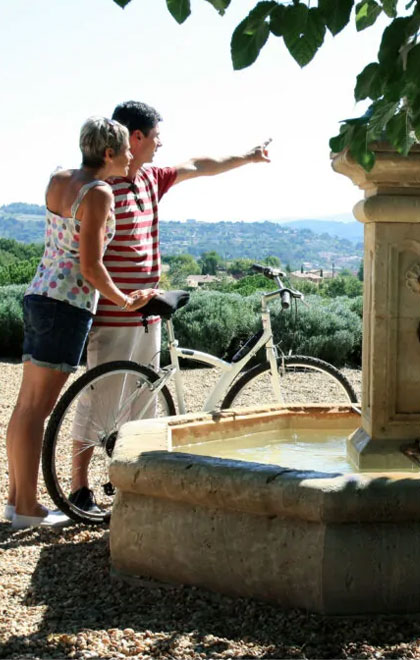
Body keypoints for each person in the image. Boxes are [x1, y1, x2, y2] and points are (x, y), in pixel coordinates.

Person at [69, 100, 270, 512]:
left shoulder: (150, 178)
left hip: (147, 310)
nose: (161, 144)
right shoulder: (103, 187)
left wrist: (248, 158)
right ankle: (77, 488)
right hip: (113, 312)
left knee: (143, 397)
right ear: (136, 137)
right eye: (156, 136)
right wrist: (118, 300)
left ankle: (125, 483)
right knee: (100, 398)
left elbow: (199, 164)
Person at [4, 117, 157, 529]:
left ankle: (17, 501)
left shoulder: (58, 178)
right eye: (125, 150)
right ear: (109, 153)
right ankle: (30, 509)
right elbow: (90, 265)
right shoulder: (100, 193)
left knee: (25, 406)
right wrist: (125, 300)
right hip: (67, 305)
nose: (130, 157)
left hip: (39, 294)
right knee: (38, 409)